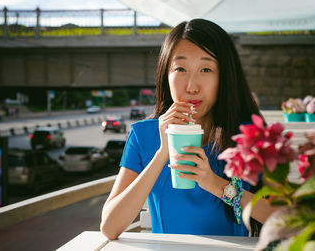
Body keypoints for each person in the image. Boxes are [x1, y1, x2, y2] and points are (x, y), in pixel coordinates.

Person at [100, 19, 276, 240]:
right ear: (166, 74)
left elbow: (285, 218)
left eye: (206, 69)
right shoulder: (143, 136)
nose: (192, 87)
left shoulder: (247, 136)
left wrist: (215, 184)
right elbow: (109, 227)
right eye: (180, 68)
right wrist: (162, 152)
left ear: (224, 77)